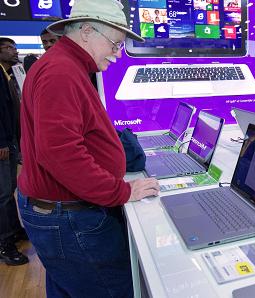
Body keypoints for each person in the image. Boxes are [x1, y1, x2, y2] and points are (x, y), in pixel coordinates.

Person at [17, 0, 159, 296]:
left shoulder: (64, 66)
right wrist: (121, 191)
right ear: (85, 31)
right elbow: (60, 152)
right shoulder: (61, 72)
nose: (118, 55)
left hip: (62, 213)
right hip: (71, 218)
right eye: (115, 44)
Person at [0, 37, 28, 266]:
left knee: (9, 190)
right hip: (3, 142)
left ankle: (15, 230)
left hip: (10, 140)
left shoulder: (9, 73)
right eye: (8, 48)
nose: (14, 51)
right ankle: (5, 244)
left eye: (14, 47)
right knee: (2, 194)